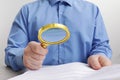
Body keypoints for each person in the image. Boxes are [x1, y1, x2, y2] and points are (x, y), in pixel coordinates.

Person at [5, 0, 112, 71]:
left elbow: (101, 46)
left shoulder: (93, 10)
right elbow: (11, 53)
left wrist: (99, 55)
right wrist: (23, 57)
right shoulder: (26, 11)